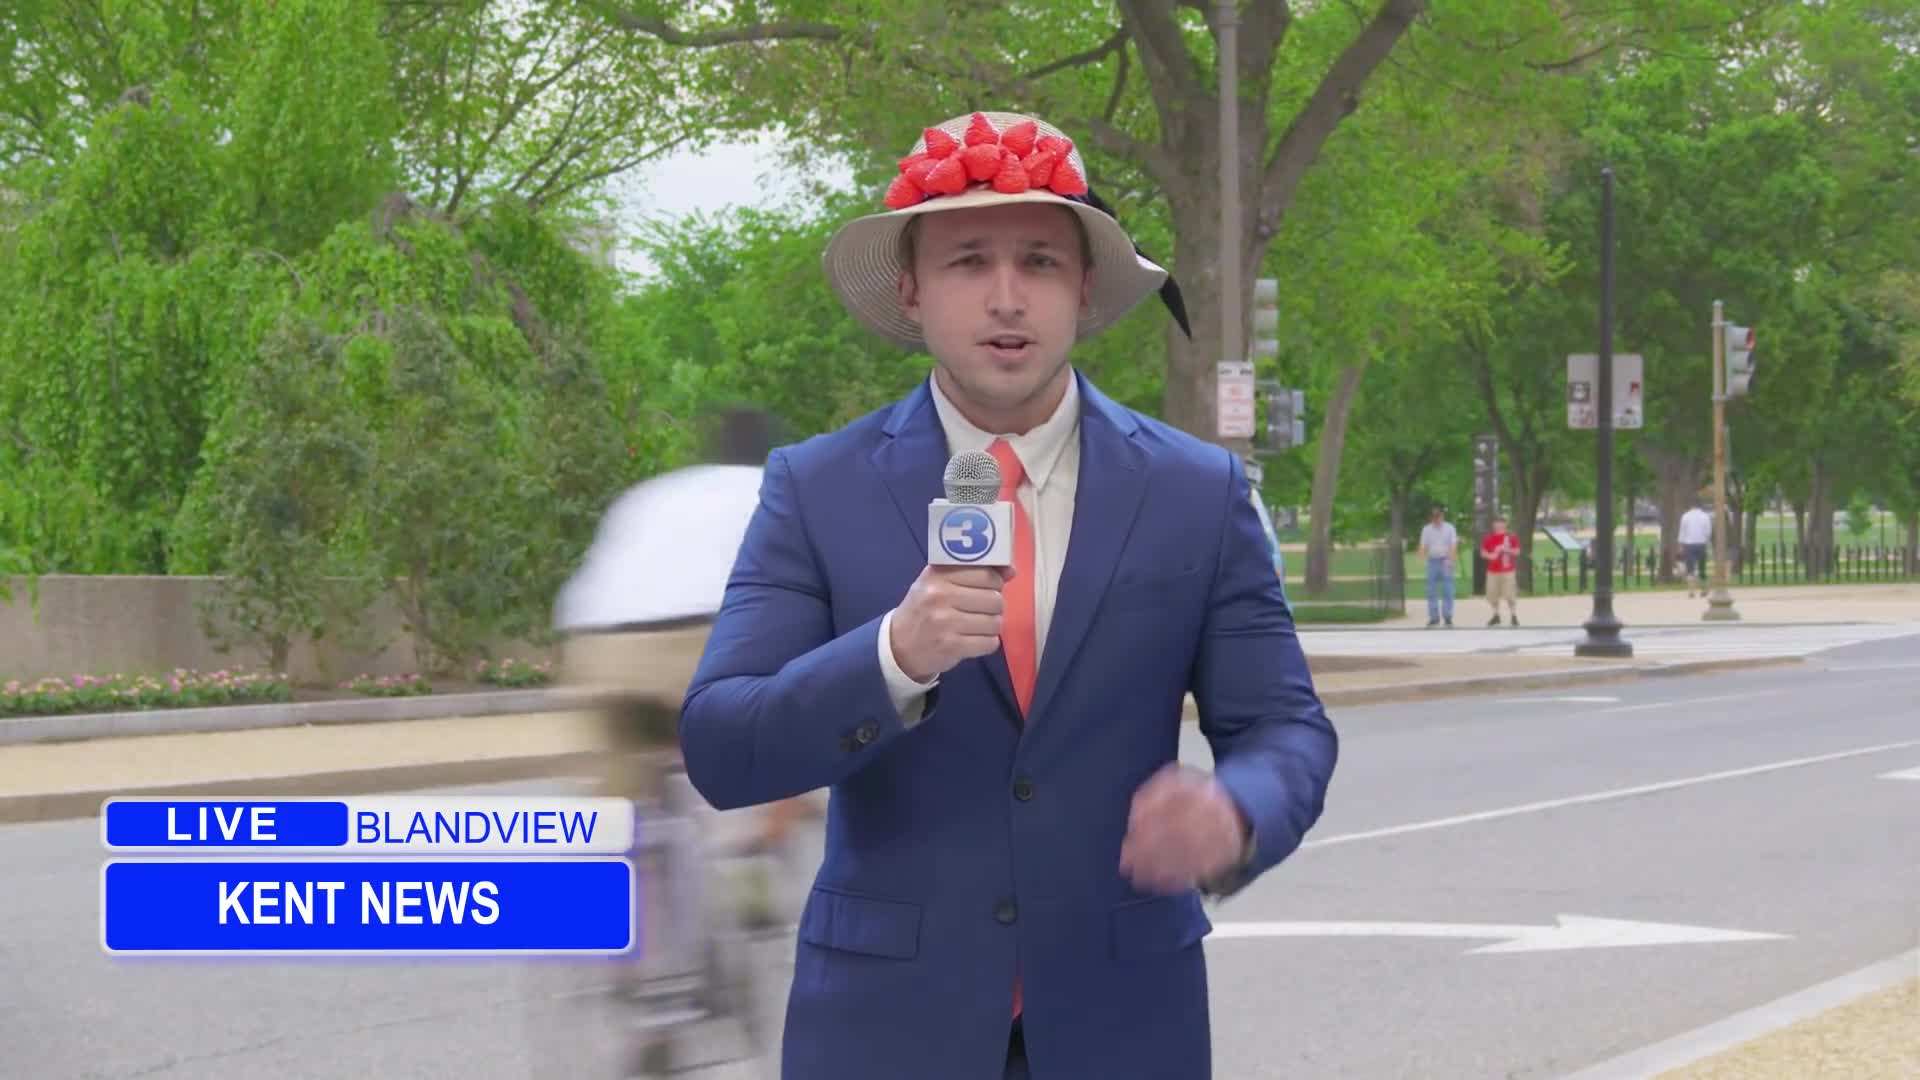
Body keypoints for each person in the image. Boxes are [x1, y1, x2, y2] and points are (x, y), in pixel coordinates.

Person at [677, 110, 1338, 1080]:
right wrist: (893, 658)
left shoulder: (1196, 493)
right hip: (885, 1032)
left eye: (1037, 262)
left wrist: (1235, 811)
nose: (1005, 298)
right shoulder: (817, 487)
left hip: (1124, 1025)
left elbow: (1287, 729)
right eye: (966, 262)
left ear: (1082, 287)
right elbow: (725, 747)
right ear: (909, 290)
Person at [553, 405, 819, 929]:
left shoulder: (656, 494)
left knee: (624, 794)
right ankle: (755, 861)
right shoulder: (782, 492)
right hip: (699, 635)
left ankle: (620, 922)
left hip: (596, 646)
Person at [1420, 505, 1459, 627]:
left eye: (1438, 516)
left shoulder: (1450, 528)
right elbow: (1423, 545)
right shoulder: (1426, 529)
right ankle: (1434, 618)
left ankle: (1447, 617)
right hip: (1432, 561)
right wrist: (1422, 557)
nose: (1436, 519)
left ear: (1442, 516)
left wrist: (1451, 559)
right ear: (1431, 517)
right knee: (1431, 590)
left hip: (1445, 560)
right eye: (1434, 517)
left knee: (1448, 589)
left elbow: (1453, 545)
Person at [1479, 514, 1521, 626]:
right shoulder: (1488, 538)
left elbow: (1517, 552)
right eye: (1496, 522)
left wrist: (1507, 550)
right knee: (1492, 594)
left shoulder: (1511, 537)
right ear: (1493, 525)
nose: (1498, 525)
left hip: (1507, 571)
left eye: (1501, 522)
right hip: (1493, 571)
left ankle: (1513, 615)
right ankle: (1496, 615)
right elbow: (1483, 553)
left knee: (1510, 594)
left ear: (1505, 524)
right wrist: (1490, 555)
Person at [1678, 500, 1713, 596]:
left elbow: (1682, 532)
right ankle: (1704, 589)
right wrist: (1707, 543)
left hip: (1689, 545)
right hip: (1701, 544)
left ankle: (1691, 591)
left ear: (1691, 506)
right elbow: (1708, 532)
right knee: (1702, 568)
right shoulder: (1705, 516)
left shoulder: (1685, 516)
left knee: (1690, 569)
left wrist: (1681, 545)